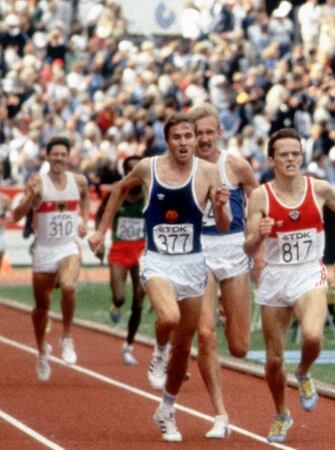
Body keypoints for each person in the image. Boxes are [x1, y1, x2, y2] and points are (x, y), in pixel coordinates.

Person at [89, 113, 230, 442]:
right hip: (157, 261)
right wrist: (100, 231)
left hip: (193, 264)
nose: (183, 143)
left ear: (196, 141)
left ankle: (166, 410)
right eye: (177, 137)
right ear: (168, 141)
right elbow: (119, 190)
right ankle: (157, 352)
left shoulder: (209, 172)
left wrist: (221, 207)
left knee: (184, 349)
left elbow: (222, 225)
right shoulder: (148, 168)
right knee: (169, 317)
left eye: (188, 137)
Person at [243, 128, 335, 444]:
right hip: (276, 276)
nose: (291, 159)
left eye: (296, 154)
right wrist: (259, 235)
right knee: (274, 360)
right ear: (272, 159)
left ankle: (303, 372)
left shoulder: (319, 189)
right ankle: (281, 414)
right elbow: (248, 248)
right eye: (284, 154)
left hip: (308, 272)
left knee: (314, 336)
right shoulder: (261, 196)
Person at [188, 104, 259, 439]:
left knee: (240, 347)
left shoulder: (235, 165)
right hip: (198, 249)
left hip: (232, 247)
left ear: (218, 133)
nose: (203, 139)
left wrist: (256, 245)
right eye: (197, 133)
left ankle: (225, 308)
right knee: (205, 335)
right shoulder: (183, 168)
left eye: (208, 132)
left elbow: (258, 200)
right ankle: (220, 415)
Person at [12, 136, 89, 381]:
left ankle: (66, 337)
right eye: (54, 154)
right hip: (44, 249)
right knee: (42, 307)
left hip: (68, 247)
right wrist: (29, 198)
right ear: (47, 157)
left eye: (62, 155)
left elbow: (85, 198)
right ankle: (42, 350)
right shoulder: (37, 182)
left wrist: (85, 220)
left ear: (69, 158)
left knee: (68, 286)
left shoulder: (78, 181)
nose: (58, 159)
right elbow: (15, 215)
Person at [93, 155, 146, 365]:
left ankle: (129, 346)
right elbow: (99, 215)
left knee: (140, 299)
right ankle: (115, 306)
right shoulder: (116, 192)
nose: (137, 175)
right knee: (120, 297)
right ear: (126, 173)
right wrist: (100, 236)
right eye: (132, 171)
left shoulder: (149, 193)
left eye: (139, 170)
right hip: (119, 250)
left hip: (141, 250)